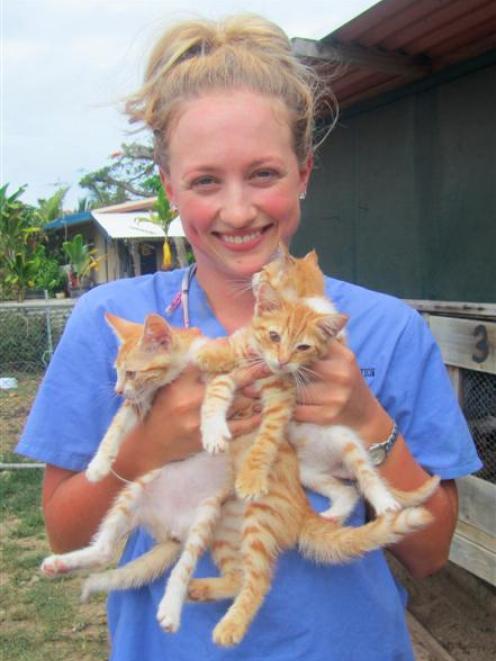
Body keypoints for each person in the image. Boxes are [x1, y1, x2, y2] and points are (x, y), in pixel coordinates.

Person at [17, 14, 481, 661]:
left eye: (263, 173)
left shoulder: (383, 328)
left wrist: (367, 418)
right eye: (206, 180)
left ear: (305, 173)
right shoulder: (115, 321)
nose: (237, 210)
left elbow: (430, 552)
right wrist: (149, 442)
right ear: (169, 186)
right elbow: (65, 531)